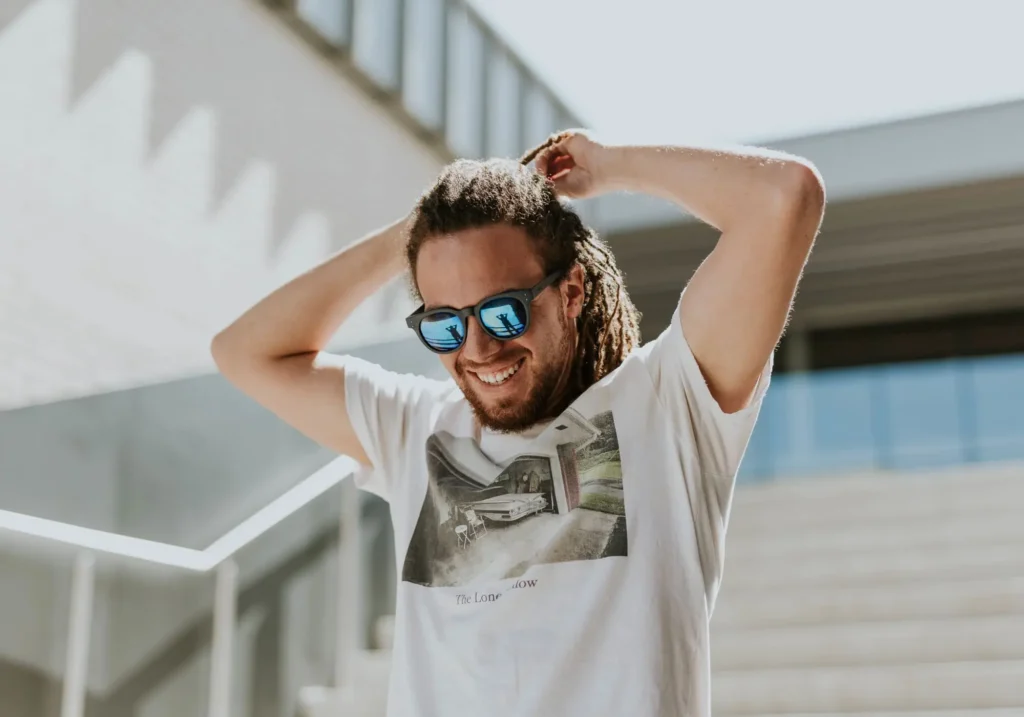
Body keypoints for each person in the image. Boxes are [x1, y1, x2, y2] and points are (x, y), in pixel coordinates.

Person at [211, 130, 825, 716]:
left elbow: (784, 197)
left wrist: (610, 165)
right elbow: (244, 352)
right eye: (445, 324)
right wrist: (412, 234)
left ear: (572, 291)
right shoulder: (415, 428)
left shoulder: (668, 405)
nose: (478, 349)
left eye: (503, 312)